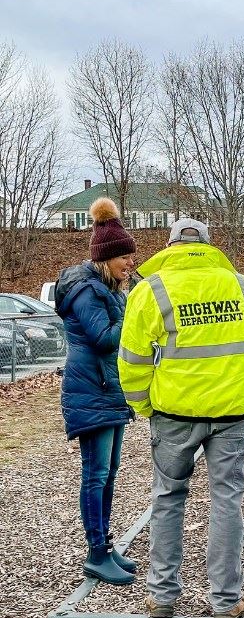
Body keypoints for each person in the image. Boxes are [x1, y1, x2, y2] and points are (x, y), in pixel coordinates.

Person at [118, 219, 244, 618]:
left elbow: (131, 361)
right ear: (211, 246)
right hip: (233, 412)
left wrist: (145, 405)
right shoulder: (242, 286)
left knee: (167, 498)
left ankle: (161, 595)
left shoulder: (150, 290)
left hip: (173, 414)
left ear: (170, 246)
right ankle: (226, 601)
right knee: (227, 499)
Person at [56, 198, 138, 586]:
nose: (130, 262)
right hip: (90, 389)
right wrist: (133, 314)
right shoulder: (87, 291)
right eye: (124, 256)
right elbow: (105, 339)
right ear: (107, 257)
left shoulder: (108, 289)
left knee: (109, 472)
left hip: (108, 390)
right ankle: (95, 553)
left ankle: (105, 545)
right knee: (96, 472)